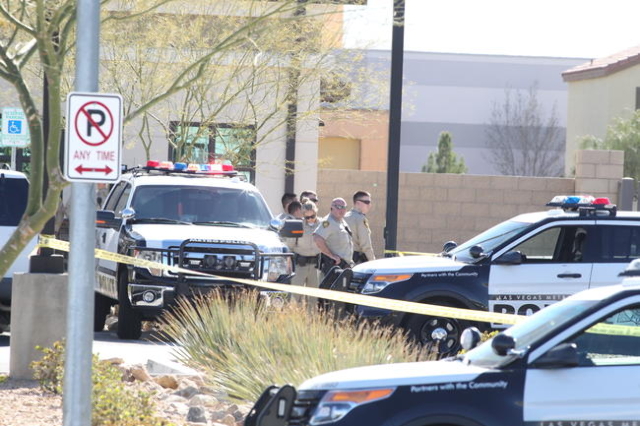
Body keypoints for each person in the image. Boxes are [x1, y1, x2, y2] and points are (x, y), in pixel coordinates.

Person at [286, 200, 321, 308]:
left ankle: (311, 317)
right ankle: (291, 316)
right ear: (303, 215)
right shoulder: (298, 225)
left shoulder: (322, 225)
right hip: (300, 265)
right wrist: (288, 263)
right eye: (307, 217)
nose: (310, 219)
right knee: (294, 296)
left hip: (315, 265)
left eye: (312, 216)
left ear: (316, 212)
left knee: (313, 298)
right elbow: (290, 246)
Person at [313, 197, 353, 278]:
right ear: (332, 208)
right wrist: (331, 256)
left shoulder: (341, 221)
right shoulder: (328, 221)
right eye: (338, 207)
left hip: (343, 266)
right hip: (333, 268)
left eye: (344, 207)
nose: (342, 210)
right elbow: (317, 238)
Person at [344, 190, 375, 264]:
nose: (369, 205)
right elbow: (365, 245)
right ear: (358, 203)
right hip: (356, 260)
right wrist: (373, 261)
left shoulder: (344, 217)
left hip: (342, 259)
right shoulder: (360, 219)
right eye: (367, 202)